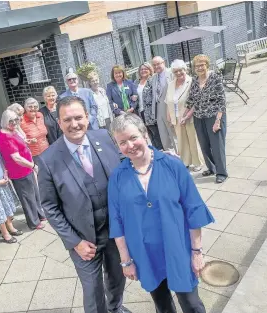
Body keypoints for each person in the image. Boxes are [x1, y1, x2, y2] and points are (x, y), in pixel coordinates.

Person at [108, 113, 214, 313]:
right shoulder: (118, 177)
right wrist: (126, 260)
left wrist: (197, 252)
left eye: (133, 138)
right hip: (145, 253)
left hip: (178, 247)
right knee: (162, 306)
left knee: (192, 304)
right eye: (122, 142)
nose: (129, 146)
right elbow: (117, 221)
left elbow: (193, 209)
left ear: (144, 134)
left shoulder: (172, 165)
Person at [37, 96, 131, 313]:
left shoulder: (104, 137)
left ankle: (115, 307)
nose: (74, 124)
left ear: (87, 118)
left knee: (117, 277)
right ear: (59, 123)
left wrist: (152, 158)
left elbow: (126, 163)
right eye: (67, 120)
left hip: (114, 231)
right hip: (83, 238)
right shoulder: (48, 160)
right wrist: (75, 241)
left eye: (79, 117)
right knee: (92, 290)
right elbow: (49, 207)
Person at [0, 109, 45, 230]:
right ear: (4, 121)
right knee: (27, 197)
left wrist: (26, 142)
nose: (14, 123)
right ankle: (34, 222)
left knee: (34, 192)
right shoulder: (5, 136)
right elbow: (16, 158)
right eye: (10, 121)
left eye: (16, 120)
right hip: (19, 171)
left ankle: (40, 214)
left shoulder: (12, 131)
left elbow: (20, 144)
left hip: (26, 168)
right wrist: (33, 166)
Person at [185, 55, 228, 183]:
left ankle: (221, 173)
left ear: (207, 65)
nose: (199, 68)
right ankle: (211, 167)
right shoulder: (194, 81)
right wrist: (184, 116)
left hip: (214, 116)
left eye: (202, 65)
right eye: (197, 66)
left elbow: (222, 101)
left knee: (217, 146)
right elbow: (190, 100)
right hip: (199, 117)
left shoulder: (215, 77)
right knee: (204, 145)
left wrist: (218, 121)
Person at [166, 60, 204, 172]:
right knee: (181, 141)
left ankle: (197, 162)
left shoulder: (192, 81)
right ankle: (185, 162)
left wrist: (187, 115)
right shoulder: (171, 84)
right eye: (175, 71)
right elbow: (168, 101)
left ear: (185, 69)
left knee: (193, 140)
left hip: (189, 116)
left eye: (180, 70)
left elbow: (196, 101)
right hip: (176, 117)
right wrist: (169, 116)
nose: (178, 73)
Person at [134, 62, 163, 150]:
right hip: (140, 112)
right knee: (149, 134)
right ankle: (156, 152)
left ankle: (161, 153)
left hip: (152, 112)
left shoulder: (153, 80)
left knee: (156, 134)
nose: (143, 71)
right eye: (141, 69)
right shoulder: (136, 82)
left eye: (145, 69)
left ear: (150, 69)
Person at [152, 56, 177, 152]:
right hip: (158, 109)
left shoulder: (171, 73)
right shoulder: (154, 77)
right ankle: (170, 155)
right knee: (163, 135)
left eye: (158, 64)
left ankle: (181, 157)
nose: (156, 66)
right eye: (154, 65)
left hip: (170, 108)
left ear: (164, 63)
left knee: (173, 134)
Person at [20, 97, 49, 165]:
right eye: (30, 107)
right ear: (25, 108)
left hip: (47, 151)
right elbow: (19, 138)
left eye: (35, 107)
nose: (33, 109)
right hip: (34, 155)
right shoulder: (21, 121)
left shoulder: (40, 115)